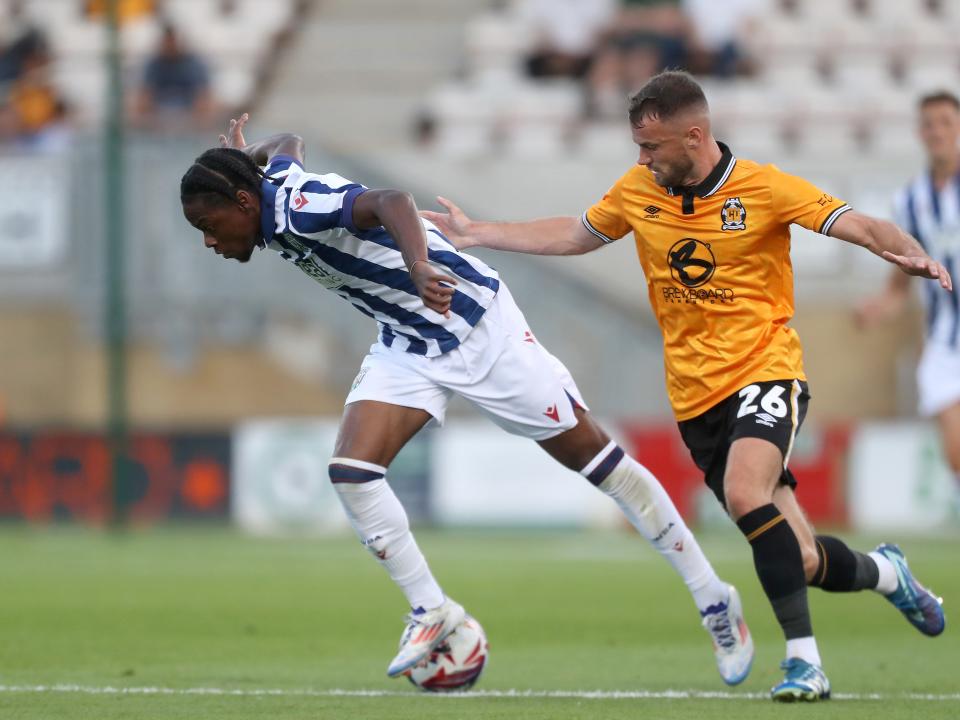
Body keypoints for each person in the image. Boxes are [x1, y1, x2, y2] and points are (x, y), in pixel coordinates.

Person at [422, 70, 949, 702]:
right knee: (800, 557)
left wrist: (907, 250)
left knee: (745, 491)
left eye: (652, 147)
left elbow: (860, 225)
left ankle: (805, 662)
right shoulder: (639, 189)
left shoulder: (765, 188)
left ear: (694, 135)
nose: (641, 159)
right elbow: (574, 233)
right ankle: (888, 574)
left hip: (764, 369)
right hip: (696, 398)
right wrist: (480, 233)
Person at [179, 113, 754, 685]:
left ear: (243, 203)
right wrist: (249, 153)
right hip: (407, 341)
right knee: (352, 471)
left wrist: (417, 263)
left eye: (209, 223)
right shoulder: (270, 187)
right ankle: (432, 610)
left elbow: (391, 201)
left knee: (598, 462)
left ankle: (713, 598)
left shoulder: (297, 208)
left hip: (473, 325)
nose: (208, 239)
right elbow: (290, 141)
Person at [857, 91, 960, 504]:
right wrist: (879, 308)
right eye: (928, 123)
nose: (936, 130)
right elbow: (900, 285)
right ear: (919, 132)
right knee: (956, 456)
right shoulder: (910, 202)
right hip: (944, 344)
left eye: (945, 122)